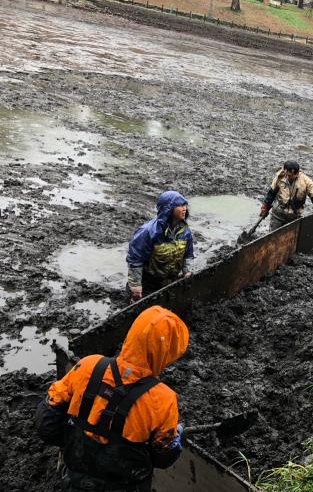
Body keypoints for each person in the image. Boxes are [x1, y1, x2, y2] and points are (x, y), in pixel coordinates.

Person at [35, 306, 189, 492]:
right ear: (167, 352)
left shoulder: (87, 366)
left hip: (76, 482)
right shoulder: (163, 400)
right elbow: (163, 458)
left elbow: (46, 424)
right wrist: (177, 437)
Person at [127, 191, 194, 304]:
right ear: (168, 209)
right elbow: (135, 260)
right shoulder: (148, 232)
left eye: (185, 205)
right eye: (180, 205)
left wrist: (187, 272)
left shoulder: (185, 231)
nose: (184, 209)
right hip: (149, 284)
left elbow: (188, 254)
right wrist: (136, 289)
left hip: (171, 282)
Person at [261, 160, 313, 231]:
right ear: (285, 170)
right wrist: (265, 207)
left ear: (297, 173)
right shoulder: (279, 177)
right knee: (273, 235)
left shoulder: (306, 181)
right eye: (287, 174)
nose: (289, 177)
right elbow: (271, 194)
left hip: (295, 216)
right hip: (278, 213)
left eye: (291, 175)